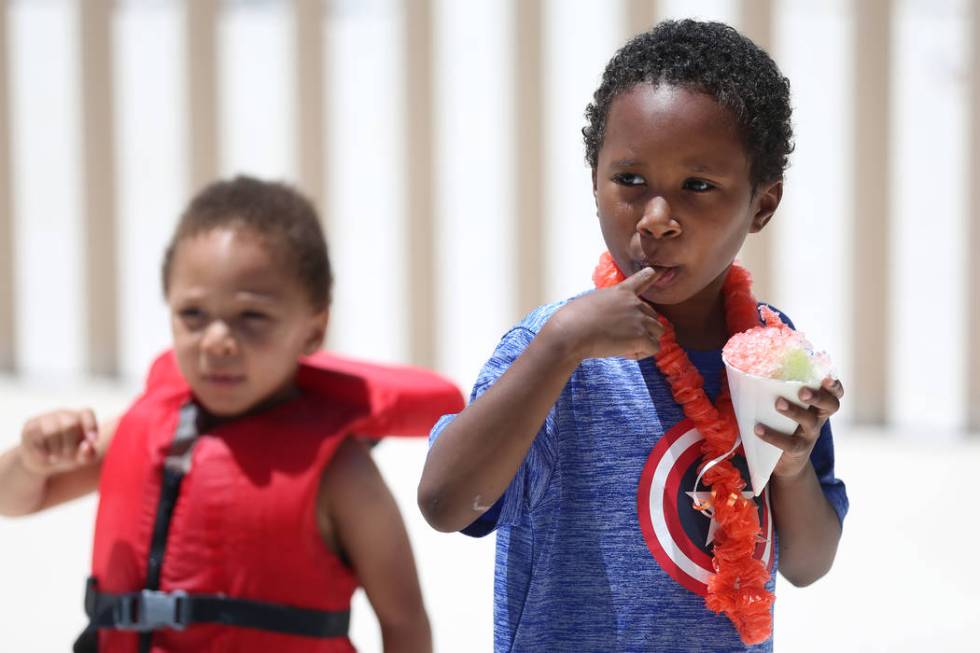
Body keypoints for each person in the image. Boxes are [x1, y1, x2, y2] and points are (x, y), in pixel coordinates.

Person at [417, 19, 848, 652]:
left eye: (698, 187)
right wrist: (560, 347)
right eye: (630, 181)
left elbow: (808, 564)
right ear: (594, 180)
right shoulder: (552, 347)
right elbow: (446, 504)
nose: (656, 220)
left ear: (762, 204)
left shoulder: (775, 357)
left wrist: (788, 466)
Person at [0, 176, 461, 652]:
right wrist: (32, 460)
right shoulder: (142, 427)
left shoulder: (341, 471)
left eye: (251, 317)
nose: (216, 341)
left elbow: (403, 619)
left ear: (313, 330)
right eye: (193, 315)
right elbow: (15, 498)